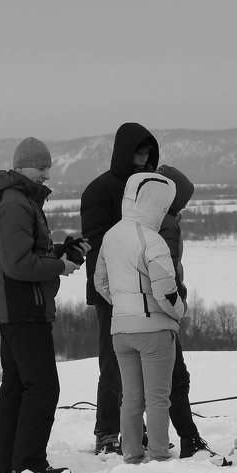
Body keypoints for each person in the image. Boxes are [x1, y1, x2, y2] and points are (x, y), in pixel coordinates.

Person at [0, 137, 86, 473]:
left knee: (17, 386)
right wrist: (60, 267)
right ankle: (28, 463)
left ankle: (12, 462)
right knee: (42, 387)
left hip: (17, 308)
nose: (47, 175)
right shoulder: (14, 203)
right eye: (41, 168)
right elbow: (18, 264)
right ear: (22, 167)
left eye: (48, 168)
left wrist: (60, 251)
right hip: (24, 309)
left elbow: (26, 252)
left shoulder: (19, 199)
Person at [93, 172, 185, 464]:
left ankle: (131, 453)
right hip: (154, 330)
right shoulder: (152, 239)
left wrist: (122, 304)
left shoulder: (111, 236)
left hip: (121, 330)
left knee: (131, 398)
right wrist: (179, 312)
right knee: (158, 398)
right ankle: (159, 453)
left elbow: (100, 282)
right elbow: (165, 291)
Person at [82, 122, 159, 454]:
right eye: (139, 153)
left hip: (143, 289)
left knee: (141, 363)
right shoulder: (100, 190)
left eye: (148, 154)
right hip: (111, 290)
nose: (143, 160)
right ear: (125, 152)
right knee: (113, 363)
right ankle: (107, 431)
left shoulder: (146, 189)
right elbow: (97, 243)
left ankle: (132, 427)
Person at [154, 164, 216, 458]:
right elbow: (168, 272)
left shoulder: (144, 220)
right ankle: (188, 439)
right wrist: (178, 303)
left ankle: (145, 437)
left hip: (143, 313)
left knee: (150, 381)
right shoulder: (166, 224)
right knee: (177, 378)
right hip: (163, 312)